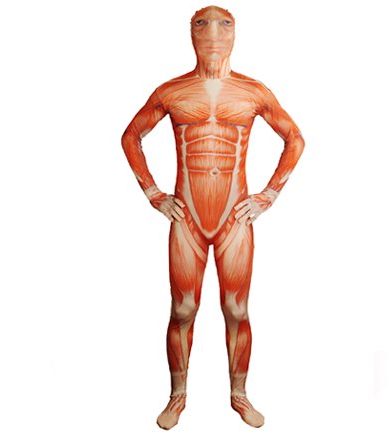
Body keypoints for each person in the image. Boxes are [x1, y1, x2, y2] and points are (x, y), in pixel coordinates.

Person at [121, 5, 305, 430]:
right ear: (191, 34)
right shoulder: (172, 91)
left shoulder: (252, 91)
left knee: (236, 309)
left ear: (235, 34)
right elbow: (131, 136)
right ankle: (178, 395)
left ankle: (239, 395)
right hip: (187, 216)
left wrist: (268, 195)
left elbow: (294, 138)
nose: (214, 33)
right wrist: (153, 193)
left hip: (234, 218)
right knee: (183, 307)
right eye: (203, 24)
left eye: (224, 24)